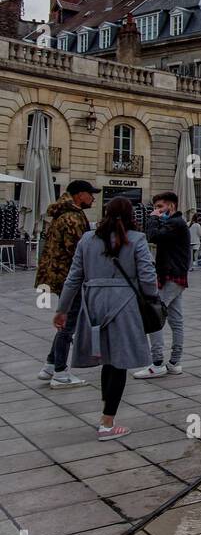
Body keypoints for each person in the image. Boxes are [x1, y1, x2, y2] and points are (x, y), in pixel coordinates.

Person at [53, 196, 159, 440]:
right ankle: (107, 423)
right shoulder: (136, 239)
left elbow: (73, 277)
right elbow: (147, 276)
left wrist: (62, 309)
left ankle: (106, 415)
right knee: (118, 363)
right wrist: (151, 297)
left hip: (93, 304)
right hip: (124, 304)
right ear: (132, 214)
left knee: (107, 361)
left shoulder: (88, 239)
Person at [35, 179, 99, 388]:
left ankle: (51, 365)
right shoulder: (72, 217)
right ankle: (61, 373)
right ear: (80, 195)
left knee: (66, 322)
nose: (93, 198)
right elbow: (78, 252)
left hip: (59, 275)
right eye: (91, 194)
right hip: (69, 277)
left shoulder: (64, 213)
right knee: (67, 324)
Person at [133, 192, 190, 379]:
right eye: (155, 207)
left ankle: (157, 363)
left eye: (160, 207)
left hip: (171, 276)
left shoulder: (175, 223)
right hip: (175, 276)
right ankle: (174, 362)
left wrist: (151, 218)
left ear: (171, 206)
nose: (157, 211)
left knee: (154, 316)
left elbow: (152, 236)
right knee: (175, 320)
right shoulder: (176, 223)